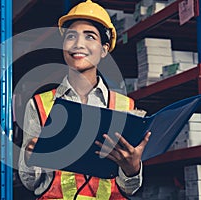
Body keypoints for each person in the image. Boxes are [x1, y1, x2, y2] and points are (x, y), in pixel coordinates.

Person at [18, 0, 151, 199]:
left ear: (104, 49)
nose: (79, 44)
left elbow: (130, 188)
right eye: (71, 36)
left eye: (90, 37)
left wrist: (132, 169)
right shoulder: (39, 106)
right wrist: (30, 158)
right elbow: (30, 182)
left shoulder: (125, 108)